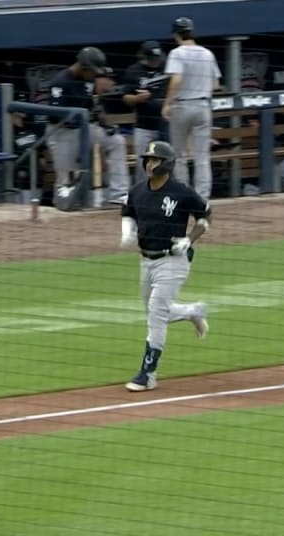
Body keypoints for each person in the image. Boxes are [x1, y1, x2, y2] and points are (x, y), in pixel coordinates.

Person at [120, 140, 211, 392]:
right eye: (148, 159)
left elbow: (205, 216)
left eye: (155, 160)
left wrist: (189, 239)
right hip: (145, 261)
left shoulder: (181, 192)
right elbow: (127, 211)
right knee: (154, 311)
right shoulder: (138, 190)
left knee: (156, 313)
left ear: (166, 164)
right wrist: (128, 231)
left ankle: (147, 374)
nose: (150, 164)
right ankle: (193, 311)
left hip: (173, 261)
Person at [46, 46, 130, 208]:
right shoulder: (60, 81)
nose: (95, 74)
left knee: (117, 141)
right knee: (64, 177)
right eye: (92, 70)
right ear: (83, 67)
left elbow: (93, 105)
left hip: (84, 129)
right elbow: (55, 115)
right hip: (61, 132)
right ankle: (63, 201)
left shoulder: (89, 80)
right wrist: (81, 116)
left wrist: (105, 124)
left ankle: (118, 194)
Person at [162, 17, 222, 201]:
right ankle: (202, 199)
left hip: (182, 105)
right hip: (203, 105)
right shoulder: (207, 53)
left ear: (176, 34)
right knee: (202, 157)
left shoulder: (177, 53)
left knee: (179, 155)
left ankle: (182, 195)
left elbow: (176, 79)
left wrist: (168, 103)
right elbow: (216, 84)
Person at [122, 40, 169, 185]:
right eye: (151, 58)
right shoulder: (133, 71)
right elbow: (125, 98)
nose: (154, 61)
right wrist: (137, 98)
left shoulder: (167, 67)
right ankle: (142, 194)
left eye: (156, 58)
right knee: (143, 165)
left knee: (168, 162)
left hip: (165, 124)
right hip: (144, 126)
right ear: (143, 56)